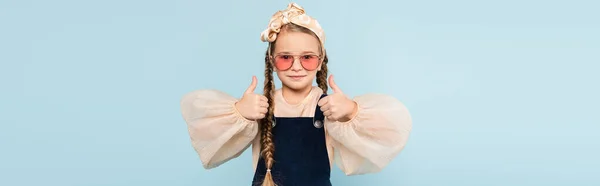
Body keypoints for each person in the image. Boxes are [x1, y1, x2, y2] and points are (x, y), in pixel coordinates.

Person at [180, 2, 412, 186]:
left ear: (320, 62)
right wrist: (240, 112)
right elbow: (210, 141)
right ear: (272, 61)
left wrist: (351, 111)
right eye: (285, 57)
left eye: (307, 57)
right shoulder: (260, 107)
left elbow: (389, 132)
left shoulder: (330, 107)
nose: (297, 66)